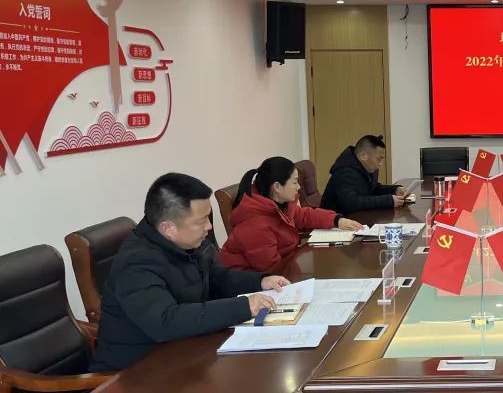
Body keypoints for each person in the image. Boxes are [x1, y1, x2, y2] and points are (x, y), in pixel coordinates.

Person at [91, 173, 289, 372]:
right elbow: (165, 321)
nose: (209, 227)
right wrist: (244, 306)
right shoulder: (135, 263)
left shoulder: (184, 242)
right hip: (133, 374)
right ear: (168, 228)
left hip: (182, 354)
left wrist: (260, 281)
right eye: (202, 221)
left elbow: (215, 279)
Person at [220, 156, 363, 272]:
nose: (299, 187)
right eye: (294, 182)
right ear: (277, 187)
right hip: (251, 284)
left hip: (284, 268)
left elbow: (304, 216)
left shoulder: (279, 203)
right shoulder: (254, 224)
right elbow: (272, 269)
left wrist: (337, 220)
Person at [321, 134, 404, 213]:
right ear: (363, 156)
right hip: (335, 221)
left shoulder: (364, 167)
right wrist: (388, 200)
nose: (381, 164)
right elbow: (351, 203)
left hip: (354, 218)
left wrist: (395, 189)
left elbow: (373, 189)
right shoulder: (344, 172)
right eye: (379, 159)